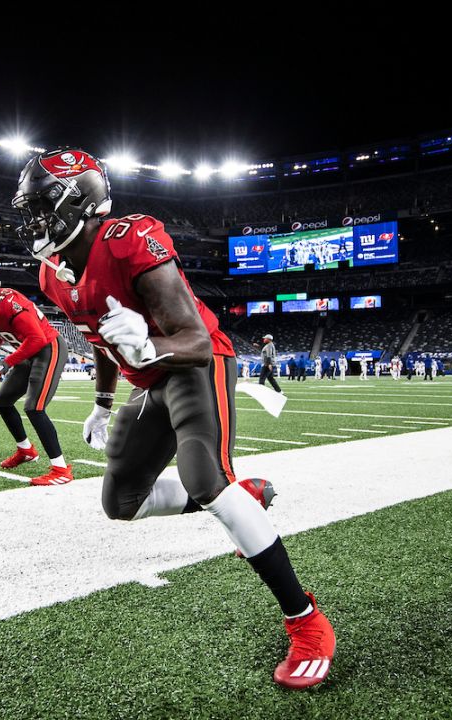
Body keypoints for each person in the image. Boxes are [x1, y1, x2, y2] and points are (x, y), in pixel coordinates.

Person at [17, 147, 334, 688]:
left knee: (206, 479)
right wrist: (102, 400)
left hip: (195, 364)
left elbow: (191, 340)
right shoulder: (53, 274)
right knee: (120, 503)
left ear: (81, 201)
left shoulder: (129, 239)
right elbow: (101, 336)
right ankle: (246, 493)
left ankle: (306, 621)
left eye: (43, 205)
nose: (34, 221)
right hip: (149, 378)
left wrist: (148, 348)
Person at [0, 258, 72, 486]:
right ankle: (26, 450)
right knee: (2, 401)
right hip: (28, 351)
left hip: (48, 348)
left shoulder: (9, 301)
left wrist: (8, 361)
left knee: (34, 408)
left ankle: (61, 469)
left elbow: (37, 338)